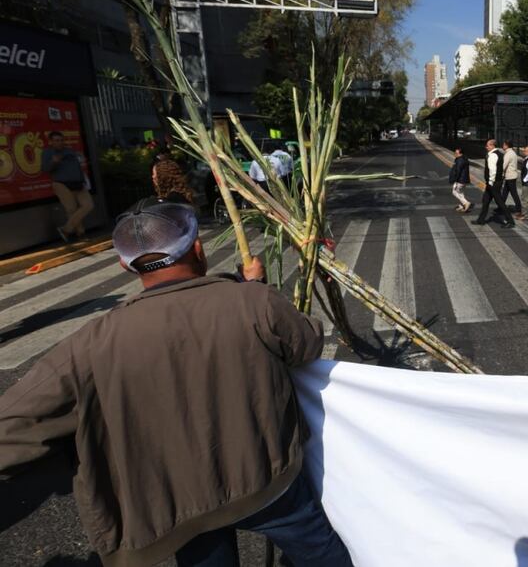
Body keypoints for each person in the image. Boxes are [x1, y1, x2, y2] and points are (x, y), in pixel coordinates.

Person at [0, 199, 354, 567]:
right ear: (197, 248)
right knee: (321, 554)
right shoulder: (252, 302)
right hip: (266, 480)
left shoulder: (90, 343)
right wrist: (257, 289)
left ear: (125, 264)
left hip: (180, 504)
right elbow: (306, 344)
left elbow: (14, 423)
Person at [41, 131, 93, 242]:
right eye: (56, 140)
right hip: (61, 184)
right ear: (50, 142)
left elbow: (77, 166)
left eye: (61, 140)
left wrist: (82, 180)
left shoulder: (69, 151)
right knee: (71, 209)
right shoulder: (47, 153)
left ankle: (66, 229)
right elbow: (45, 169)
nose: (60, 142)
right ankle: (81, 234)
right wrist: (54, 162)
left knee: (88, 205)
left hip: (78, 183)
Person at [474, 139, 515, 228]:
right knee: (485, 200)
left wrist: (490, 182)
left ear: (493, 146)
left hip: (493, 183)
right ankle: (481, 220)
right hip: (495, 182)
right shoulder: (499, 154)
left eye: (487, 145)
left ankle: (510, 221)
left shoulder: (492, 155)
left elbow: (493, 170)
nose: (486, 147)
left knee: (500, 202)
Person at [500, 140, 524, 218]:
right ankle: (501, 207)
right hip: (511, 176)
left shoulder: (508, 154)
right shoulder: (513, 153)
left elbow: (504, 165)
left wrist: (498, 173)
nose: (502, 146)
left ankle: (519, 210)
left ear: (507, 146)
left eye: (503, 145)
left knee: (514, 194)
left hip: (510, 176)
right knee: (504, 193)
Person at [448, 147, 472, 213]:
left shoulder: (460, 160)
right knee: (461, 193)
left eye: (456, 153)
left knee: (454, 192)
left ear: (460, 154)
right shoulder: (462, 159)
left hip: (460, 179)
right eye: (455, 152)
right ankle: (462, 206)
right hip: (463, 179)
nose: (455, 154)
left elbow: (458, 171)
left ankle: (466, 203)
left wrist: (454, 179)